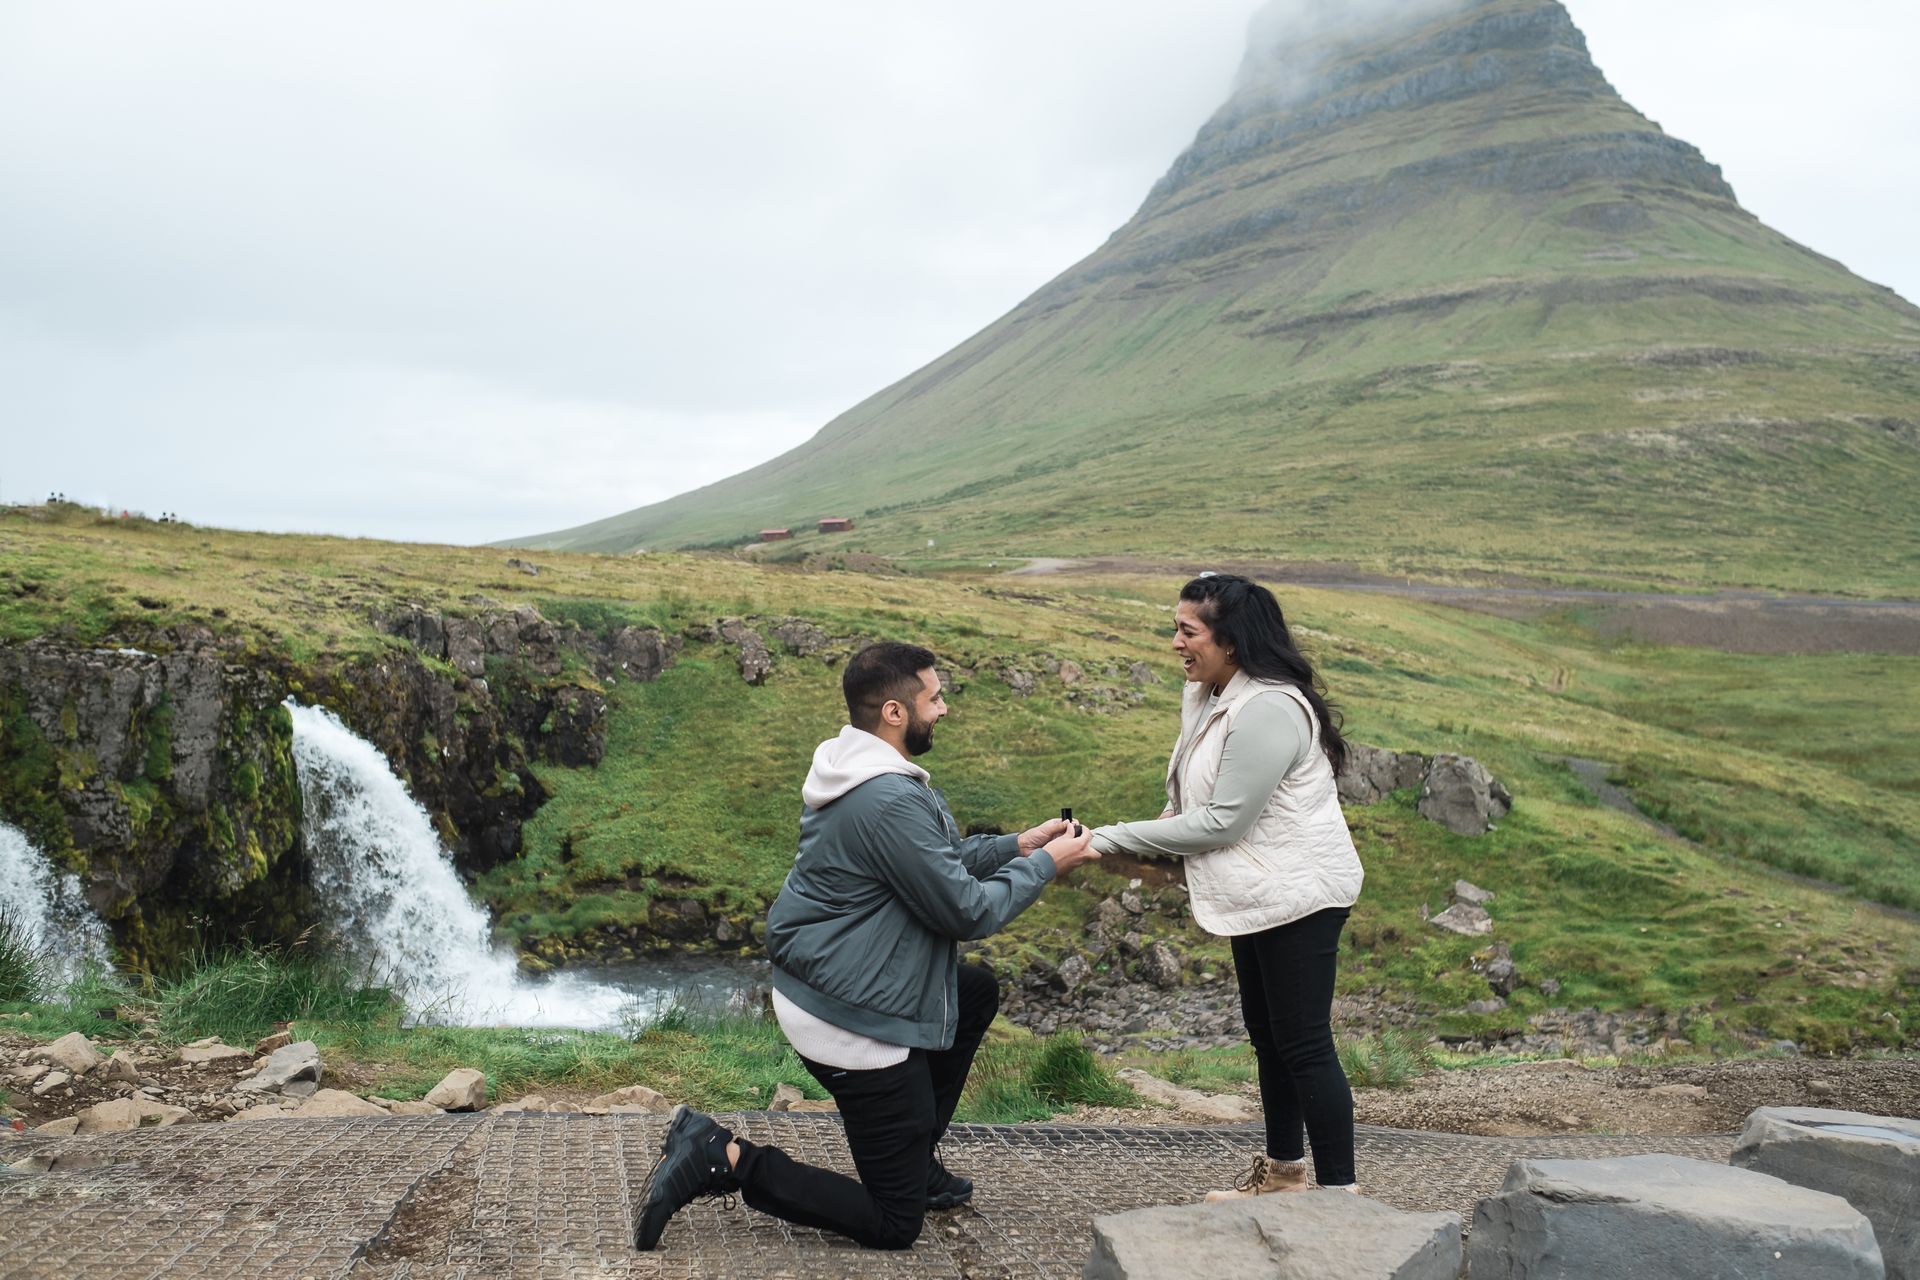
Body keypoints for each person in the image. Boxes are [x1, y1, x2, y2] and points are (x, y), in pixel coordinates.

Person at [634, 641, 1099, 1251]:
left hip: (839, 978)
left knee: (974, 989)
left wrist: (1018, 847)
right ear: (894, 713)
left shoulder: (867, 773)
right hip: (846, 1013)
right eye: (935, 698)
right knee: (894, 1223)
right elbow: (964, 909)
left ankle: (912, 1150)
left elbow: (932, 865)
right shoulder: (887, 798)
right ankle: (722, 1156)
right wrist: (1046, 869)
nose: (945, 709)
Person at [1090, 573, 1363, 1197]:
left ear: (1231, 641)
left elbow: (1224, 821)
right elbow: (1206, 798)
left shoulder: (1266, 706)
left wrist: (1106, 839)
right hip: (1261, 891)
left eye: (1187, 631)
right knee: (1271, 1038)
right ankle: (1285, 1175)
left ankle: (1342, 1200)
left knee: (1304, 1043)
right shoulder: (1217, 695)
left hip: (1301, 894)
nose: (1175, 642)